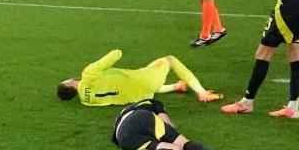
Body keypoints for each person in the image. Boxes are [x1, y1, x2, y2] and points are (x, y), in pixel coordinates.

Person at [112, 99, 245, 150]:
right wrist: (170, 128)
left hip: (123, 137)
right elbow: (167, 122)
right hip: (141, 117)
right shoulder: (154, 103)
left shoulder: (126, 112)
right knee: (182, 143)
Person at [57, 49, 222, 105]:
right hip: (142, 80)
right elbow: (116, 53)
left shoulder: (87, 101)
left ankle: (174, 86)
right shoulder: (88, 74)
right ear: (69, 82)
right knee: (170, 60)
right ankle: (201, 92)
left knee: (148, 75)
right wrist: (93, 66)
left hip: (140, 96)